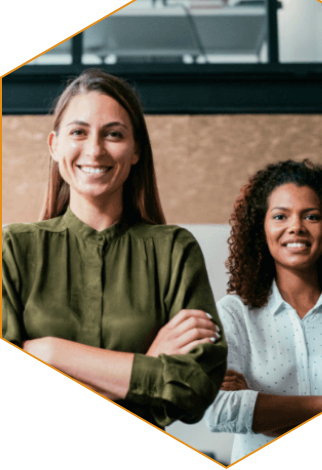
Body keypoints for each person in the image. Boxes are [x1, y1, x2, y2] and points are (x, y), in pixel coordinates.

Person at [2, 68, 227, 428]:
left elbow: (195, 386)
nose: (94, 149)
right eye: (78, 132)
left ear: (136, 150)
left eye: (114, 134)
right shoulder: (12, 248)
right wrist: (149, 366)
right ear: (54, 145)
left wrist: (48, 353)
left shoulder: (174, 250)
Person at [204, 160, 322, 463]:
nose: (296, 227)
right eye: (280, 216)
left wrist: (262, 416)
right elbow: (219, 411)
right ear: (260, 228)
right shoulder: (234, 314)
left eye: (312, 216)